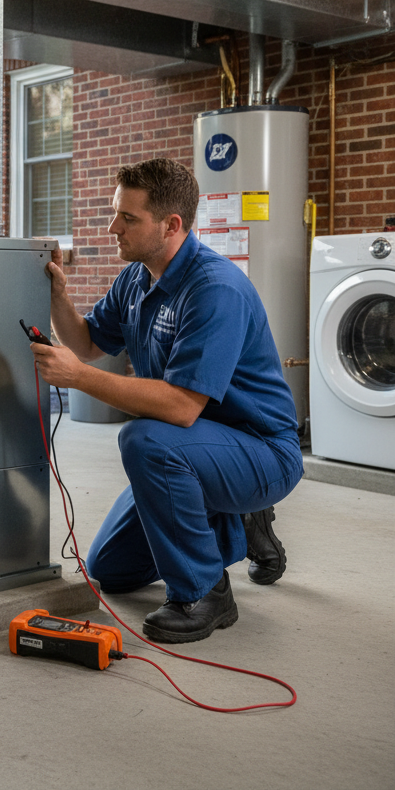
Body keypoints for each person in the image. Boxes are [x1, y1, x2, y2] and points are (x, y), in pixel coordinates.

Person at [31, 158, 303, 644]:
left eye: (127, 218)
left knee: (145, 440)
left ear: (171, 225)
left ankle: (206, 592)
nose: (113, 227)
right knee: (108, 570)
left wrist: (78, 378)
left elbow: (179, 407)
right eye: (115, 213)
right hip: (196, 448)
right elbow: (88, 343)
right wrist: (56, 297)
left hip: (260, 450)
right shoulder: (137, 278)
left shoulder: (215, 289)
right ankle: (234, 518)